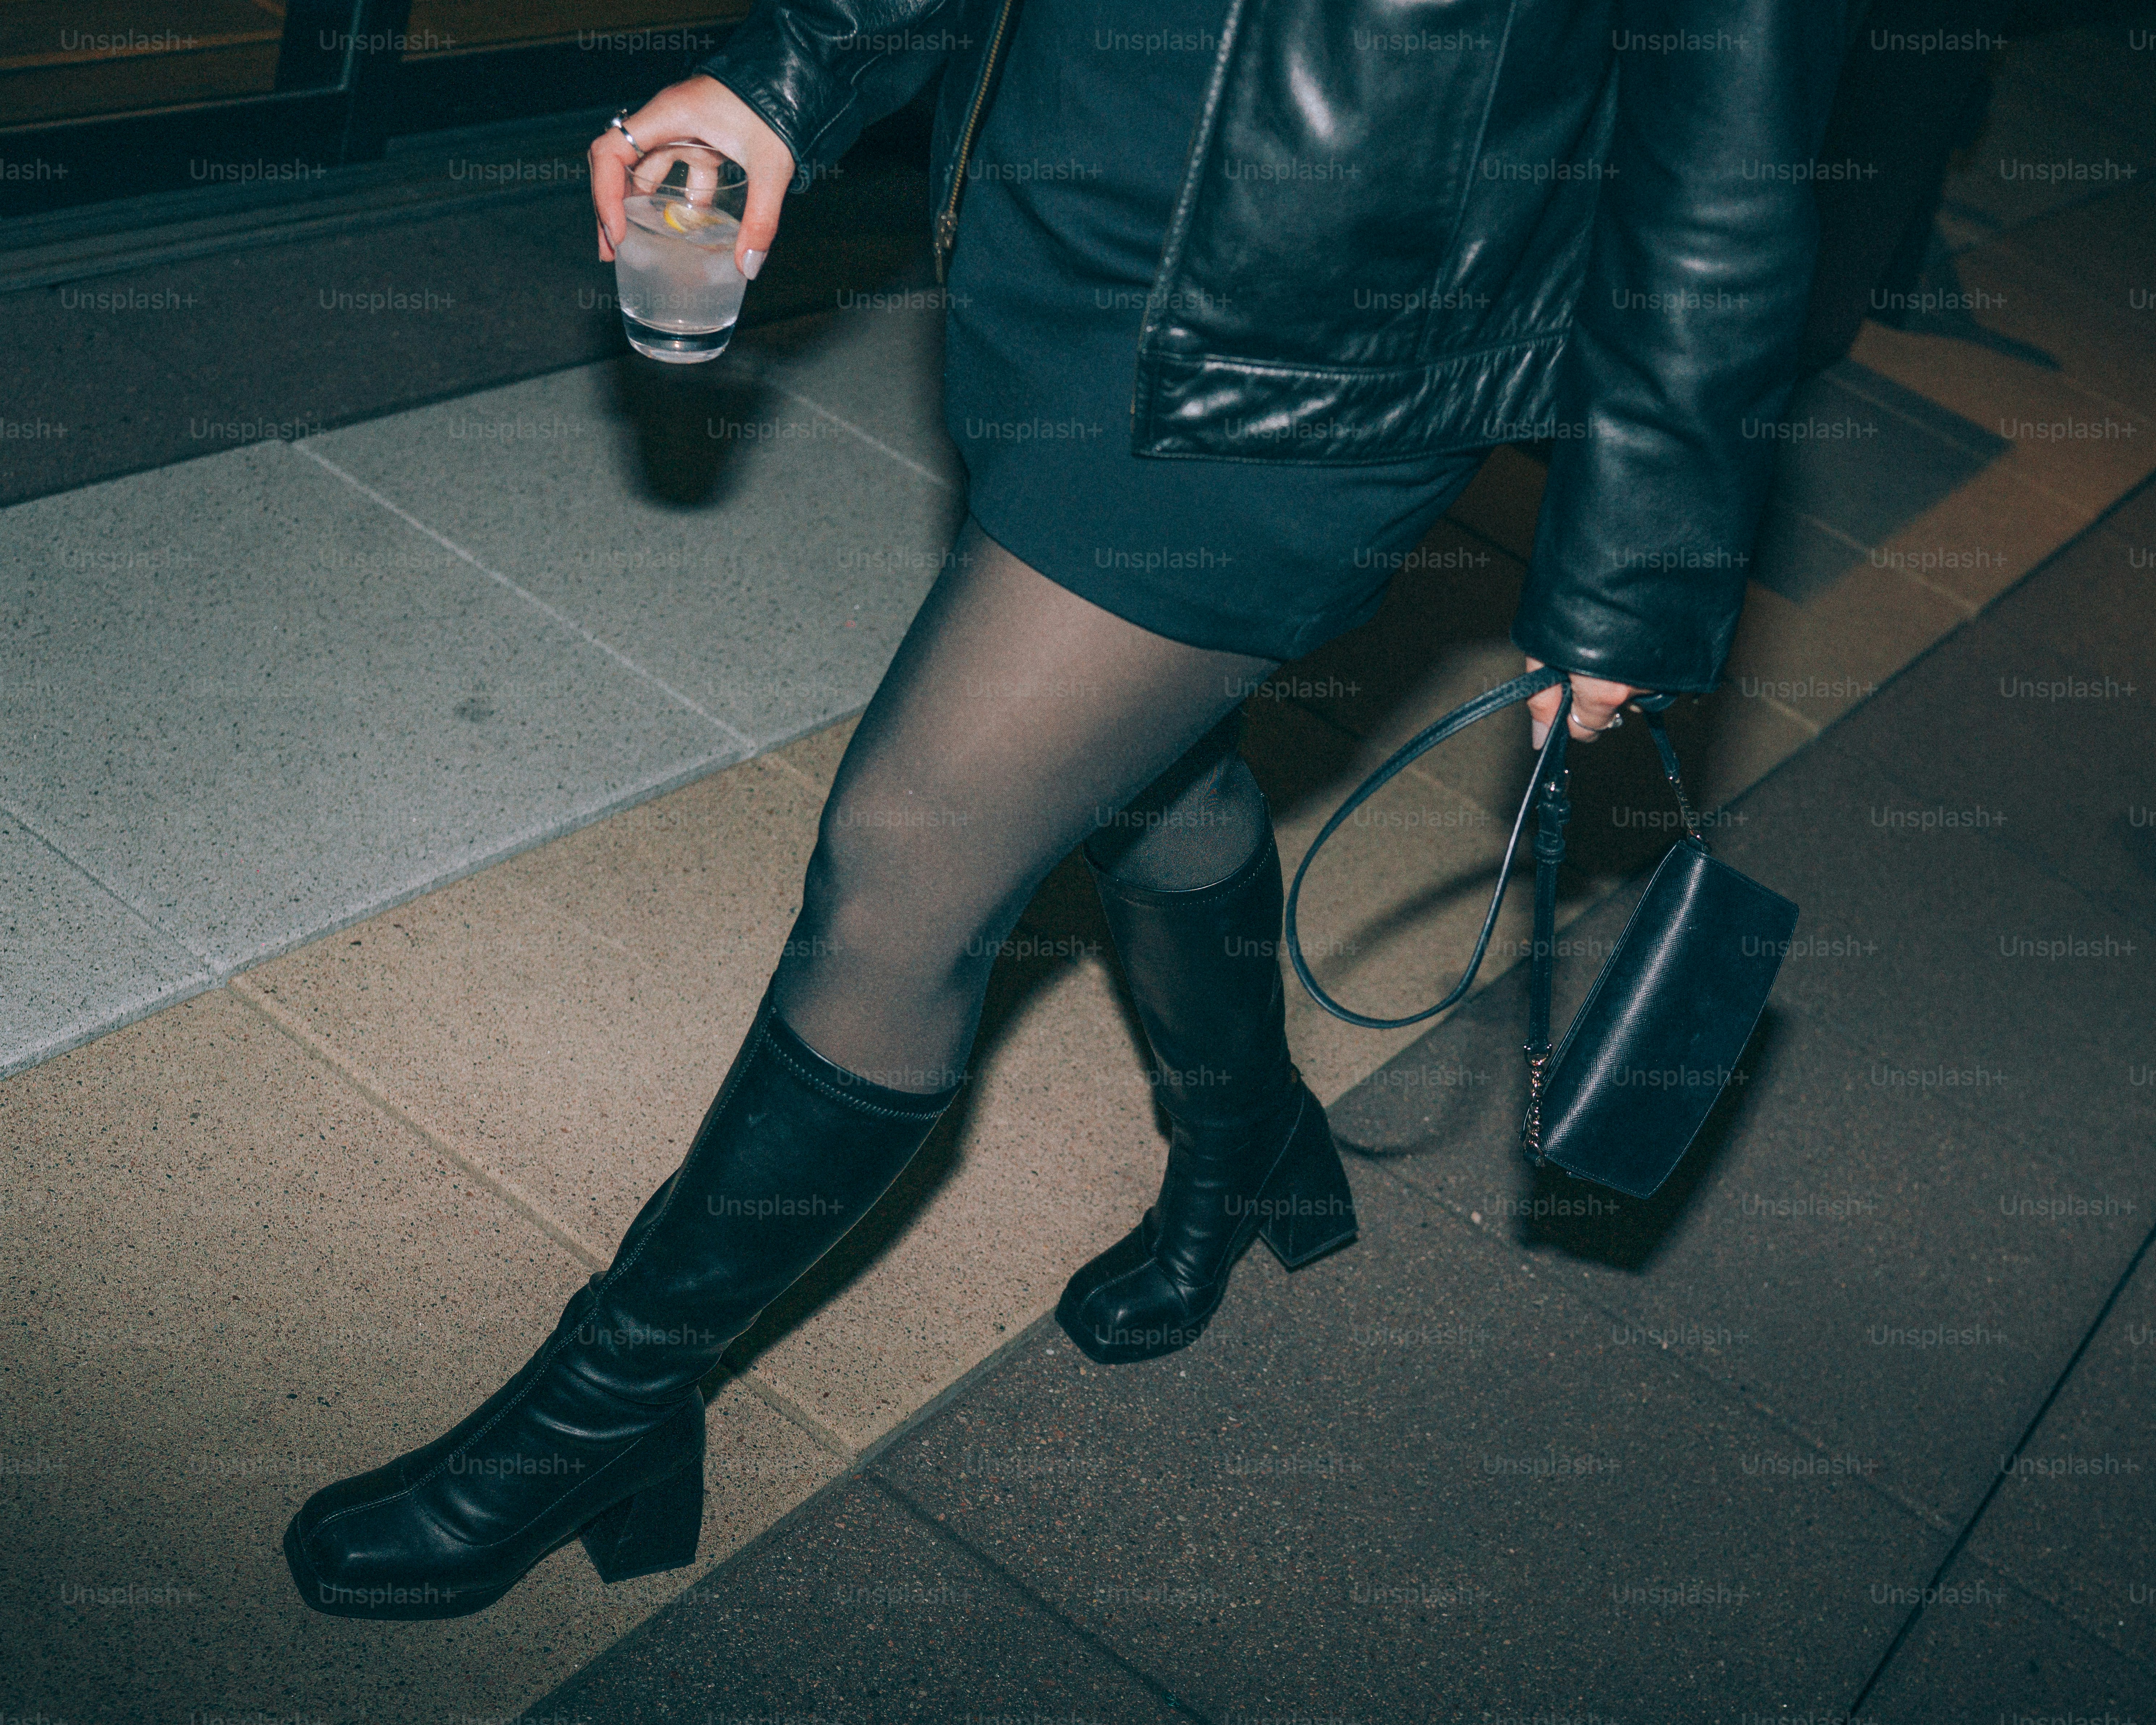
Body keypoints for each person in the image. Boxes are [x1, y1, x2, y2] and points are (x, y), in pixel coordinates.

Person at [283, 0, 1848, 1619]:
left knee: (911, 856)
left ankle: (605, 1406)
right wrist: (791, 74)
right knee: (1138, 769)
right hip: (1056, 219)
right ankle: (1248, 1147)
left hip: (1320, 341)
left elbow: (1728, 131)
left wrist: (1646, 542)